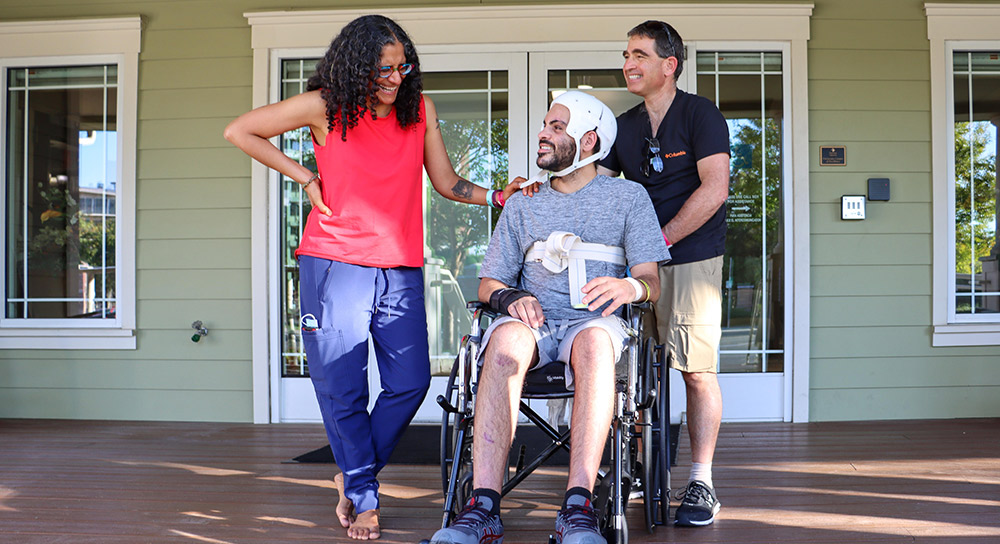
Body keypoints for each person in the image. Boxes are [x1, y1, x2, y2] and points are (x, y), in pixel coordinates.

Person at [224, 14, 519, 540]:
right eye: (383, 68)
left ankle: (352, 473)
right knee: (343, 387)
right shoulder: (324, 105)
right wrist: (305, 175)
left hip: (400, 267)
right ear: (355, 64)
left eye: (402, 66)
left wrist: (498, 196)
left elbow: (447, 182)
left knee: (410, 383)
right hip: (333, 263)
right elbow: (240, 130)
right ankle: (363, 497)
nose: (395, 78)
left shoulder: (418, 111)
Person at [428, 91, 669, 544]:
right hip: (534, 326)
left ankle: (577, 508)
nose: (543, 134)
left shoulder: (627, 197)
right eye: (545, 125)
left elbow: (651, 283)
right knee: (502, 346)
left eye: (557, 127)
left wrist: (628, 287)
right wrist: (510, 298)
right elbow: (488, 285)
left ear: (589, 139)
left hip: (593, 324)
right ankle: (482, 508)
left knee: (596, 346)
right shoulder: (524, 201)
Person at [597, 20, 730, 527]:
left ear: (668, 64)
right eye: (625, 54)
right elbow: (599, 188)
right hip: (637, 267)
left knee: (695, 370)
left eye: (638, 54)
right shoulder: (623, 125)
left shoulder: (701, 114)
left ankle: (701, 480)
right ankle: (632, 470)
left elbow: (714, 189)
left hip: (692, 258)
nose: (627, 63)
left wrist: (661, 238)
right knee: (629, 372)